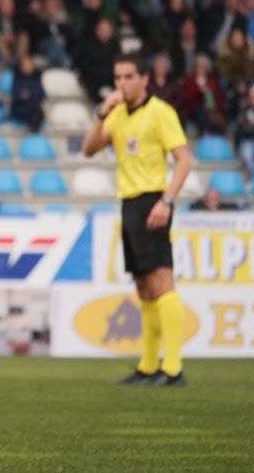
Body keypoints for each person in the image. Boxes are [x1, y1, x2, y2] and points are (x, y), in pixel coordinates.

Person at [82, 52, 192, 386]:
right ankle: (147, 365)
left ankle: (172, 368)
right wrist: (102, 111)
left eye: (128, 76)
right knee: (143, 286)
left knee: (161, 280)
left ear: (144, 79)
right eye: (117, 78)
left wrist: (167, 201)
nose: (122, 84)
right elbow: (88, 149)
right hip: (129, 203)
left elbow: (183, 160)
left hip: (152, 200)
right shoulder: (115, 115)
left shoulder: (161, 112)